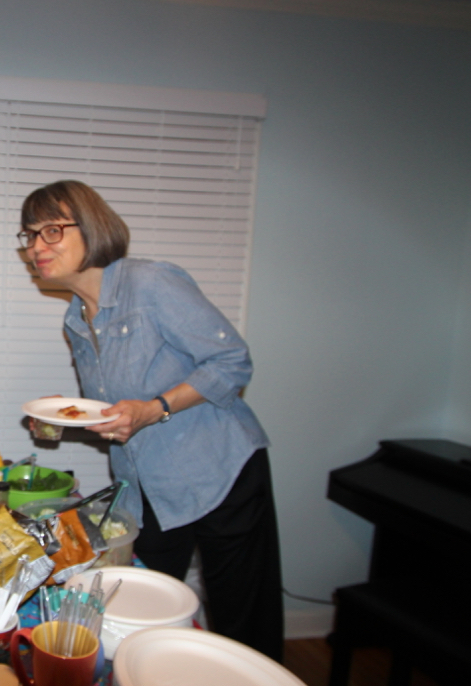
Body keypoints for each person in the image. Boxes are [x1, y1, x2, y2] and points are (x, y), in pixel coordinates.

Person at [19, 180, 283, 661]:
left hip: (220, 471)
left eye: (52, 230)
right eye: (30, 235)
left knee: (244, 623)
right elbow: (116, 408)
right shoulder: (76, 320)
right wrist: (61, 417)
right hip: (148, 488)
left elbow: (231, 362)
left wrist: (155, 409)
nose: (37, 246)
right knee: (145, 614)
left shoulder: (152, 283)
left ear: (91, 227)